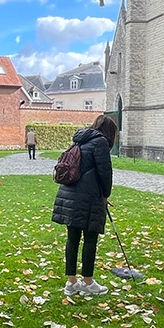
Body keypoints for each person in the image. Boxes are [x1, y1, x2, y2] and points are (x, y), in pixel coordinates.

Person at [52, 115, 117, 296]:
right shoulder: (101, 142)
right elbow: (105, 173)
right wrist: (105, 195)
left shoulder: (80, 140)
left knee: (72, 239)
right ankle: (88, 283)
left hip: (70, 195)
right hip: (88, 197)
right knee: (90, 240)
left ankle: (71, 283)